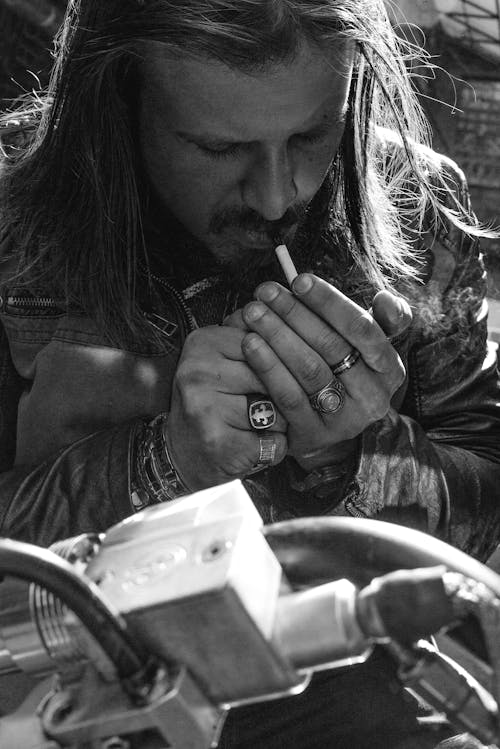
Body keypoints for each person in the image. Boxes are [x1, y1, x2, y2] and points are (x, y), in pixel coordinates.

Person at [0, 1, 499, 746]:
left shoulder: (415, 207)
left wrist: (359, 454)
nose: (277, 196)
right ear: (117, 99)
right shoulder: (15, 219)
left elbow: (486, 516)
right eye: (217, 147)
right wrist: (163, 466)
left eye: (310, 134)